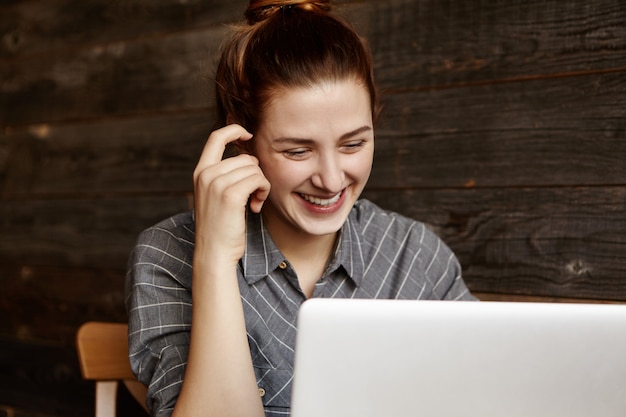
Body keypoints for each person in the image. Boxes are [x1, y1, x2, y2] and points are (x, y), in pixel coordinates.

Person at [126, 1, 476, 416]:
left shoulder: (415, 255)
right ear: (242, 142)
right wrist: (215, 259)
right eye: (297, 150)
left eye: (353, 144)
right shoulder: (168, 255)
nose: (331, 180)